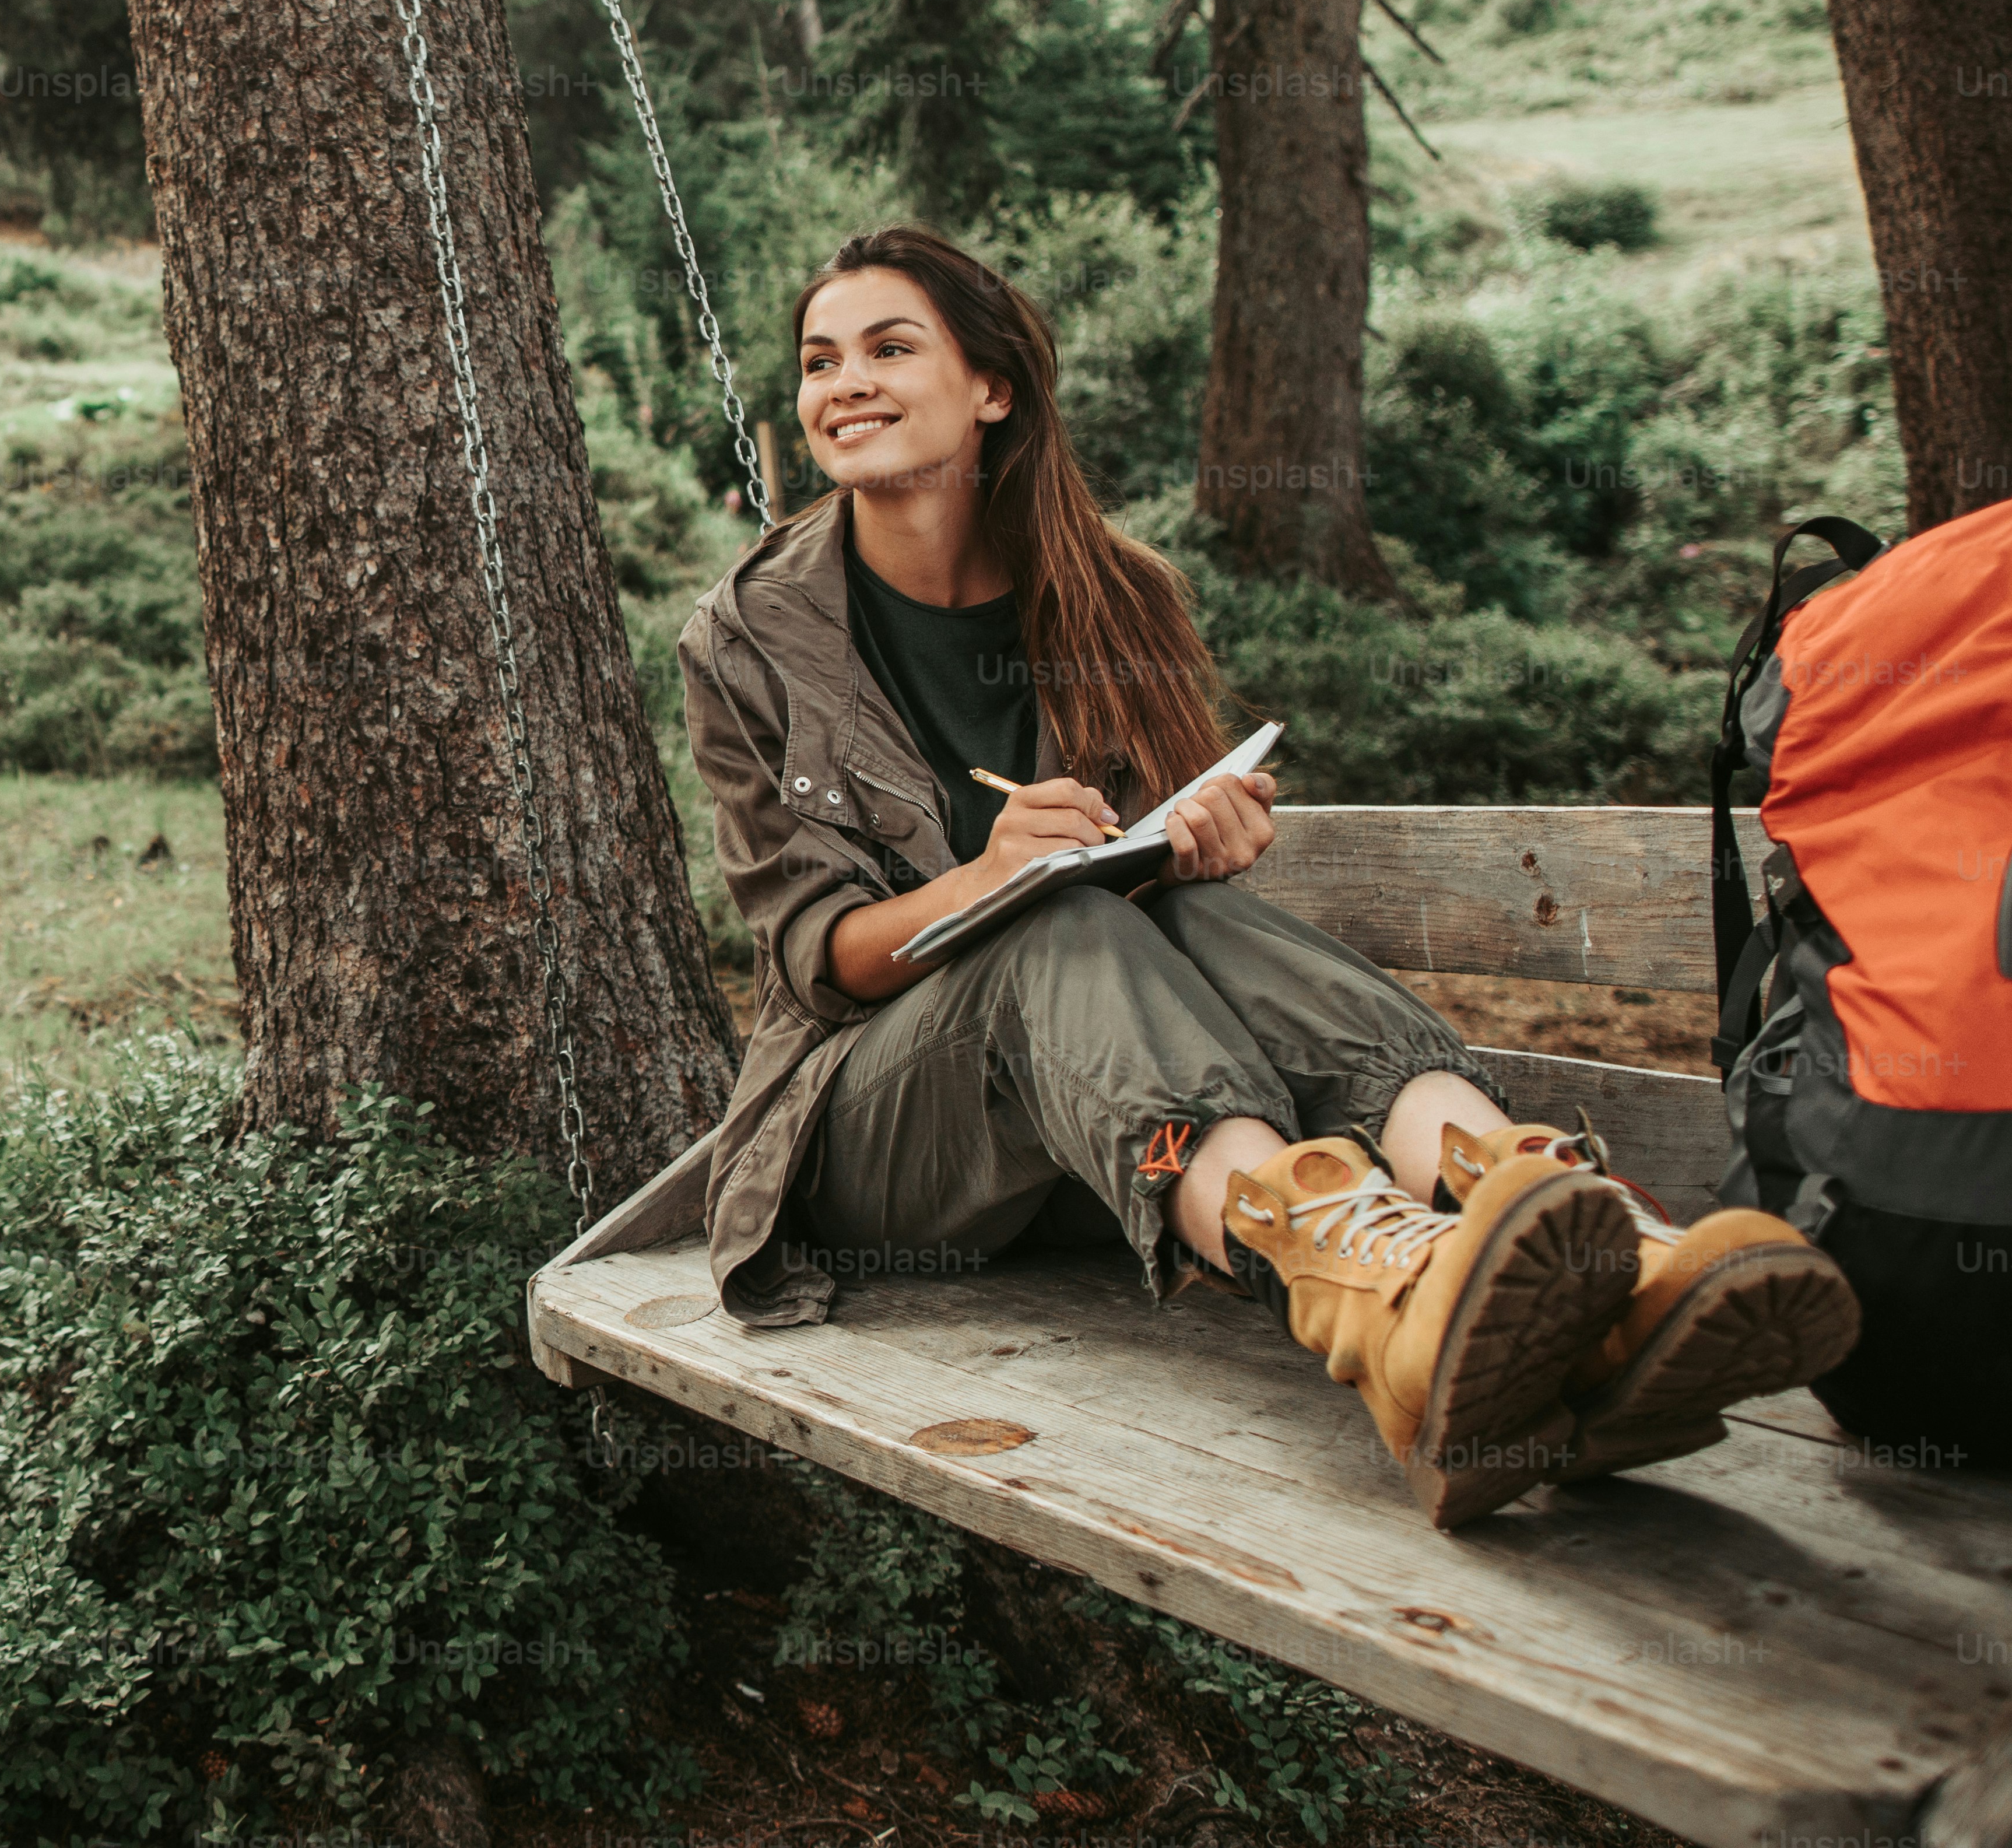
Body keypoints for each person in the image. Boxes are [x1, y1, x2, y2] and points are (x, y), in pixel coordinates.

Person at [674, 226, 1859, 1526]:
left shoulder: (1110, 594)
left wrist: (1207, 834)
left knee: (1177, 903)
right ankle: (1381, 1296)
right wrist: (984, 879)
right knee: (1052, 922)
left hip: (1109, 1145)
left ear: (993, 386)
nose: (843, 382)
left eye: (890, 347)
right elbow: (816, 956)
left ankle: (1570, 1234)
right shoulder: (750, 635)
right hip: (877, 1141)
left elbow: (1169, 895)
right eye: (819, 359)